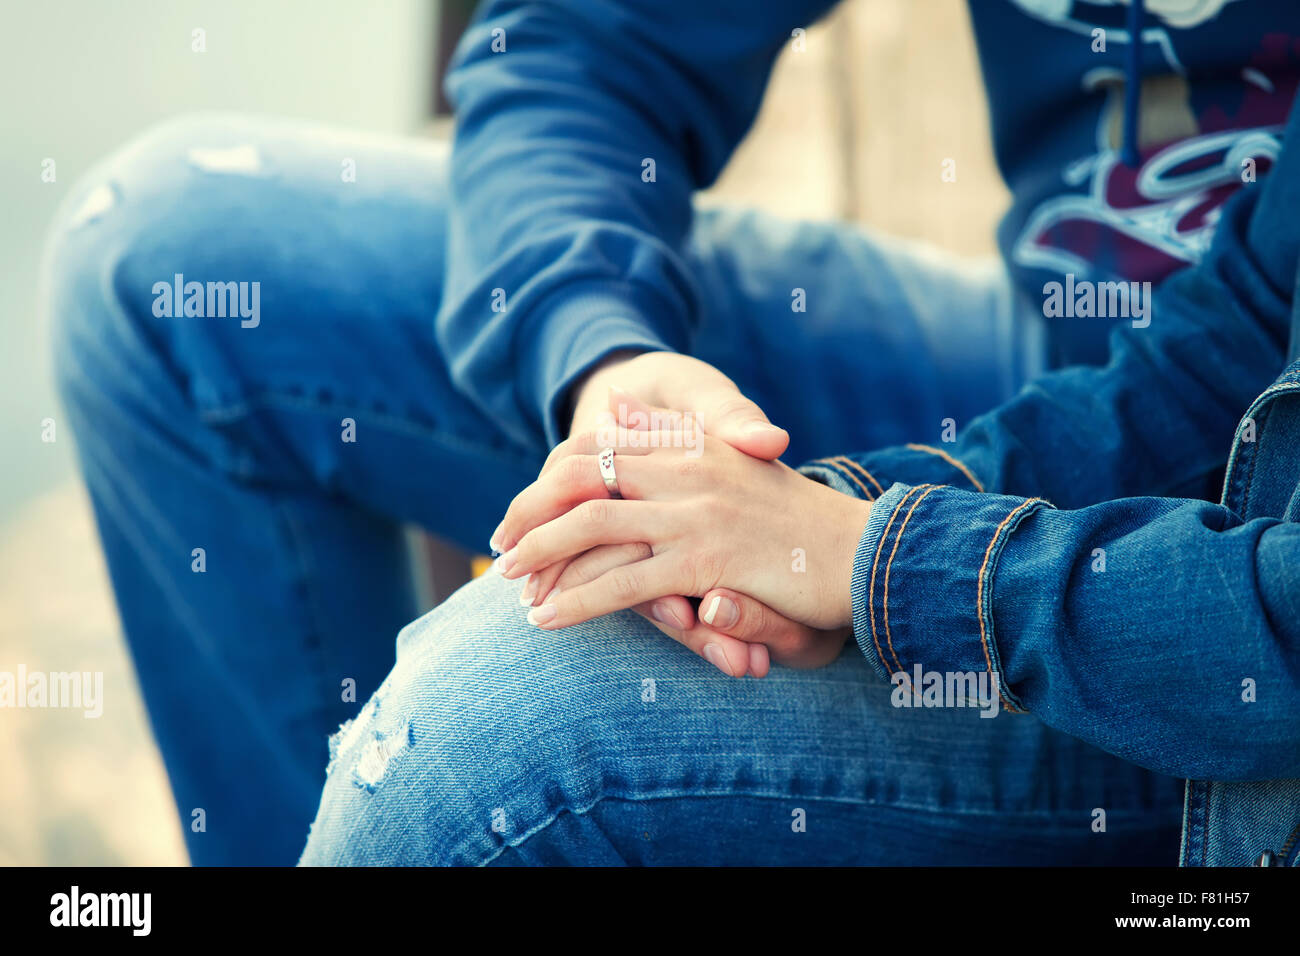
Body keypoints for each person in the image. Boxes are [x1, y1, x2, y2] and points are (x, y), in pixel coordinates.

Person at [45, 1, 1299, 865]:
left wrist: (873, 554)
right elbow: (583, 51)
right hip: (1096, 384)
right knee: (167, 270)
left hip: (1220, 624)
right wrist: (609, 363)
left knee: (504, 716)